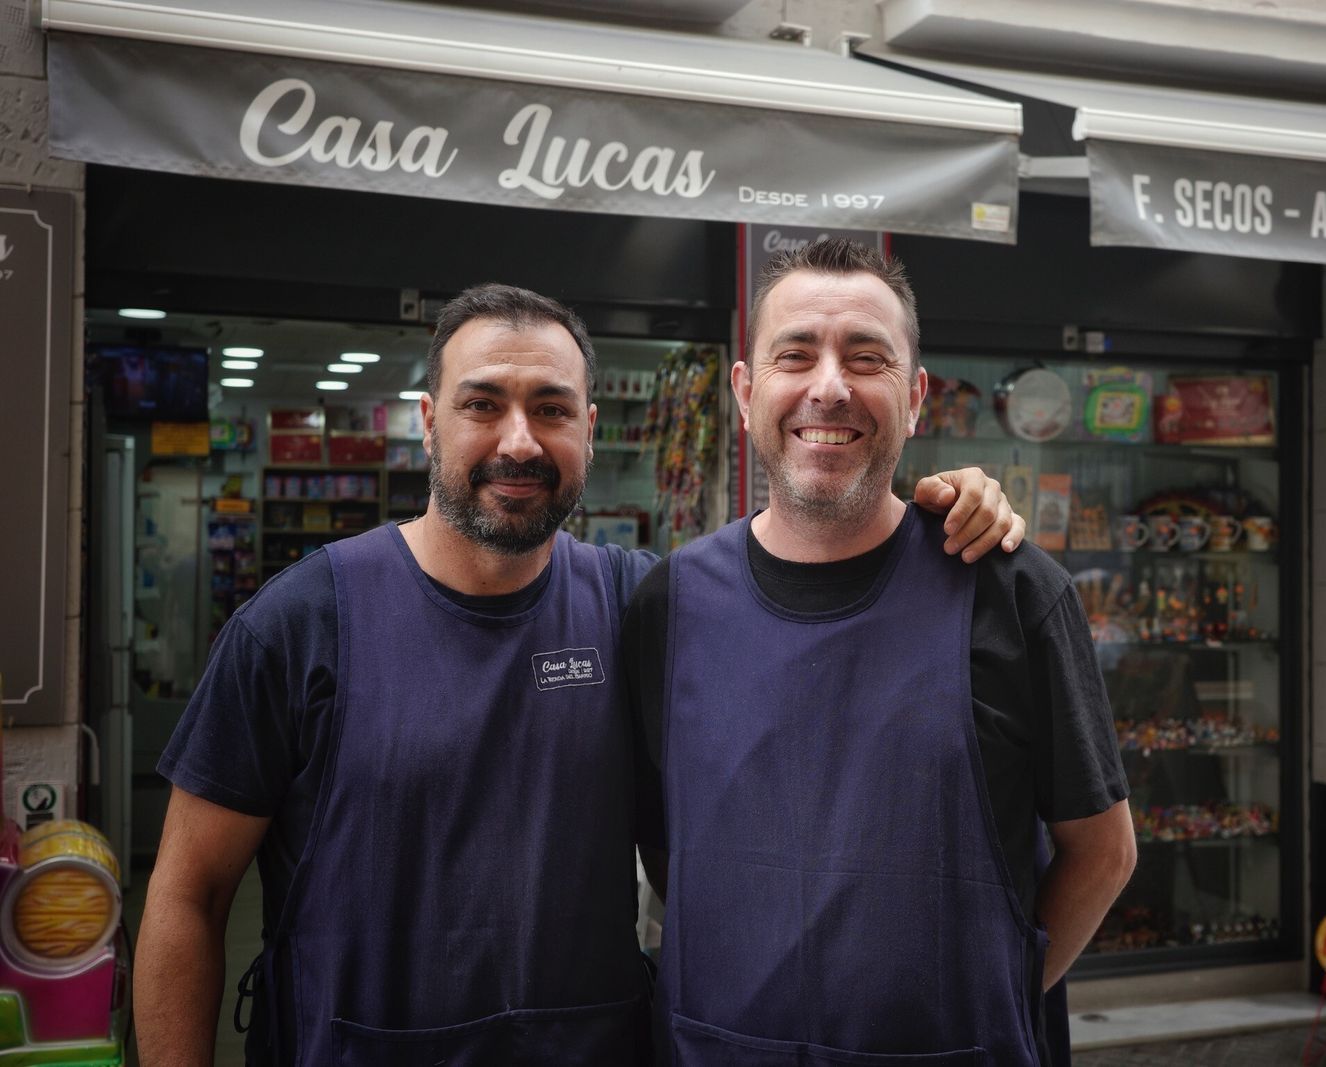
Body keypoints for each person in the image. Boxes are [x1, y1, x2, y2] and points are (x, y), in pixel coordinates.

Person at [131, 282, 1025, 1067]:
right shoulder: (300, 623)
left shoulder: (649, 607)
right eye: (483, 404)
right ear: (428, 417)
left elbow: (809, 617)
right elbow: (186, 895)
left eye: (552, 409)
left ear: (589, 431)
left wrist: (940, 514)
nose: (520, 440)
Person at [625, 240, 1137, 1065]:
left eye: (868, 358)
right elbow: (669, 849)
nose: (830, 385)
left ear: (915, 395)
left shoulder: (1009, 589)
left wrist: (1001, 992)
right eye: (795, 355)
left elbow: (1105, 852)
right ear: (746, 390)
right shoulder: (668, 605)